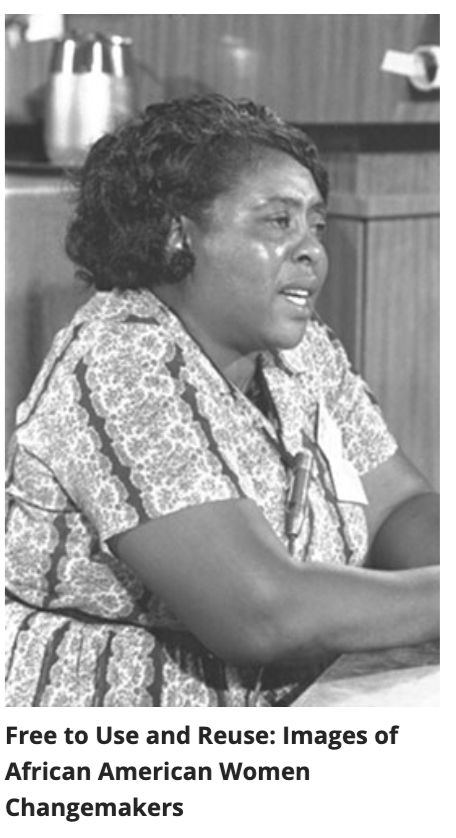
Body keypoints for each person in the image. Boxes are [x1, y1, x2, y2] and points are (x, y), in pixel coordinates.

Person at [5, 94, 439, 707]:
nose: (312, 249)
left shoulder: (303, 351)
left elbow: (397, 507)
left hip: (300, 706)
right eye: (278, 222)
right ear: (178, 234)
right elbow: (259, 611)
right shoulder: (119, 360)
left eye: (316, 225)